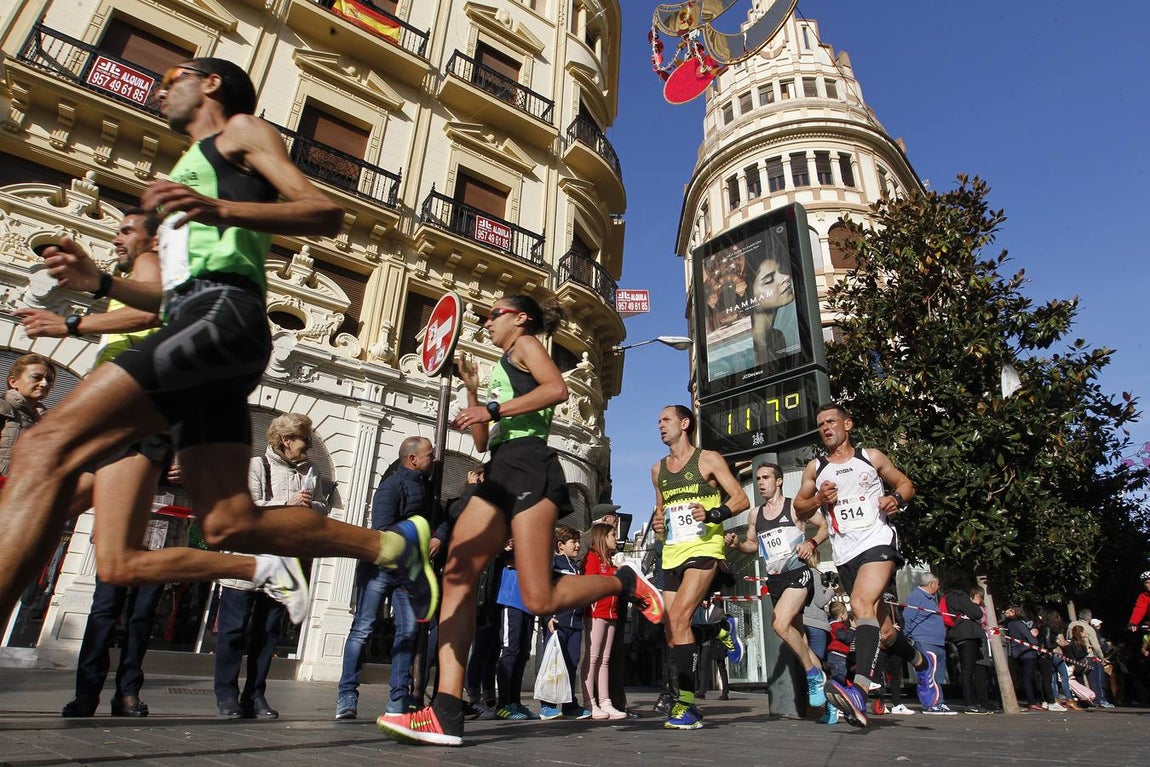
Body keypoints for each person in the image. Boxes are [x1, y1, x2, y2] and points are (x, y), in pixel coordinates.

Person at [0, 58, 437, 642]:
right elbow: (161, 296)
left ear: (210, 83)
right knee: (230, 523)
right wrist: (98, 284)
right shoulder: (180, 170)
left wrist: (220, 209)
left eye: (170, 75)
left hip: (221, 314)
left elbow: (324, 211)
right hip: (200, 326)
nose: (158, 88)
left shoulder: (241, 132)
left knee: (43, 446)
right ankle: (391, 544)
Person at [377, 295, 663, 747]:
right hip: (499, 468)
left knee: (541, 597)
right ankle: (447, 711)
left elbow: (557, 390)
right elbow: (481, 437)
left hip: (530, 466)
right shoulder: (499, 366)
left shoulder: (528, 345)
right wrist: (473, 393)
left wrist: (490, 409)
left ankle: (622, 583)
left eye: (494, 314)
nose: (486, 321)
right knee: (457, 572)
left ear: (520, 317)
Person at [19, 210, 178, 719]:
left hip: (133, 419)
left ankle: (122, 689)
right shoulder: (130, 283)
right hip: (118, 419)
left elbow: (148, 317)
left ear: (153, 239)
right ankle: (95, 689)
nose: (117, 236)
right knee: (108, 573)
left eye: (127, 229)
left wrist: (70, 320)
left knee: (125, 585)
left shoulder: (154, 274)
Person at [793, 403, 952, 727]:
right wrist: (819, 501)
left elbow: (906, 485)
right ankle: (923, 665)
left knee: (860, 603)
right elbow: (800, 505)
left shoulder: (871, 457)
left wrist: (896, 499)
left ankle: (859, 690)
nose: (825, 428)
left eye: (831, 422)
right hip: (845, 553)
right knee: (884, 631)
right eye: (820, 423)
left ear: (847, 424)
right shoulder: (816, 469)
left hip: (877, 541)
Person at [214, 413, 328, 719]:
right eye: (305, 440)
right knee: (233, 631)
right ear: (286, 440)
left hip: (282, 561)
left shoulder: (311, 471)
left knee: (267, 634)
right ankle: (226, 695)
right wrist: (286, 503)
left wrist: (311, 506)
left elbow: (320, 506)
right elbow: (246, 508)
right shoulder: (256, 465)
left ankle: (256, 695)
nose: (310, 447)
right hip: (247, 560)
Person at [650, 404, 750, 730]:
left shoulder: (708, 459)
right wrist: (658, 525)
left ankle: (687, 705)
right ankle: (716, 630)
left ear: (685, 423)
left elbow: (740, 499)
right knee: (673, 629)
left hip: (704, 547)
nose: (660, 426)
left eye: (666, 420)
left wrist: (713, 515)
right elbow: (661, 512)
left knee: (679, 618)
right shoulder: (657, 470)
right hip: (672, 553)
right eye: (658, 422)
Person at [336, 436, 434, 720]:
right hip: (379, 569)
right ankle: (346, 697)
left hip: (407, 573)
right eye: (429, 454)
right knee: (362, 629)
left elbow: (435, 518)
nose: (434, 458)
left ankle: (398, 702)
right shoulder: (391, 486)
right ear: (413, 459)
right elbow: (382, 529)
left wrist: (436, 536)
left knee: (408, 631)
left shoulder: (427, 488)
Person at [725, 460, 828, 710]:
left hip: (798, 573)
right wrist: (737, 544)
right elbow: (752, 545)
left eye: (765, 478)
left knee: (779, 624)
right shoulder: (755, 515)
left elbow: (824, 526)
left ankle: (813, 676)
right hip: (776, 580)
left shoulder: (795, 508)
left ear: (778, 481)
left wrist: (811, 544)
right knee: (799, 640)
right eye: (758, 478)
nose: (760, 483)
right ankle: (832, 692)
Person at [538, 526, 590, 720]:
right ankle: (547, 705)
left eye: (578, 541)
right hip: (557, 622)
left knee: (571, 662)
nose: (577, 545)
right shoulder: (553, 564)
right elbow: (544, 590)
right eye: (573, 542)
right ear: (560, 545)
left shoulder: (576, 568)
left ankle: (569, 704)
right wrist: (547, 616)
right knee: (553, 663)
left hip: (575, 624)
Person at [582, 522, 626, 720]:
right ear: (602, 537)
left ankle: (605, 700)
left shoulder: (609, 561)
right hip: (596, 612)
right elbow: (591, 582)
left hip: (611, 613)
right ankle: (589, 701)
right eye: (612, 535)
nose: (615, 538)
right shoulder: (592, 557)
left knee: (605, 660)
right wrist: (614, 574)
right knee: (593, 658)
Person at [0, 353, 56, 476]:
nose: (44, 384)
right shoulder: (3, 408)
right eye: (36, 377)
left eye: (49, 380)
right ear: (13, 382)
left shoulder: (48, 422)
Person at [903, 573, 947, 687]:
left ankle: (939, 702)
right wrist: (907, 636)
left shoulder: (931, 598)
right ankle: (930, 703)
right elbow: (908, 617)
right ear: (931, 584)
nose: (938, 587)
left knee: (938, 677)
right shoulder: (916, 596)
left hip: (938, 642)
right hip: (925, 641)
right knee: (928, 675)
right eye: (937, 584)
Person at [1068, 609, 1113, 708]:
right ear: (1089, 617)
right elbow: (1096, 646)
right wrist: (1101, 657)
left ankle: (1083, 700)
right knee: (1094, 680)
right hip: (1088, 657)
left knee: (1079, 679)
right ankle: (1097, 700)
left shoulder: (1070, 625)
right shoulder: (1088, 628)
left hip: (1074, 657)